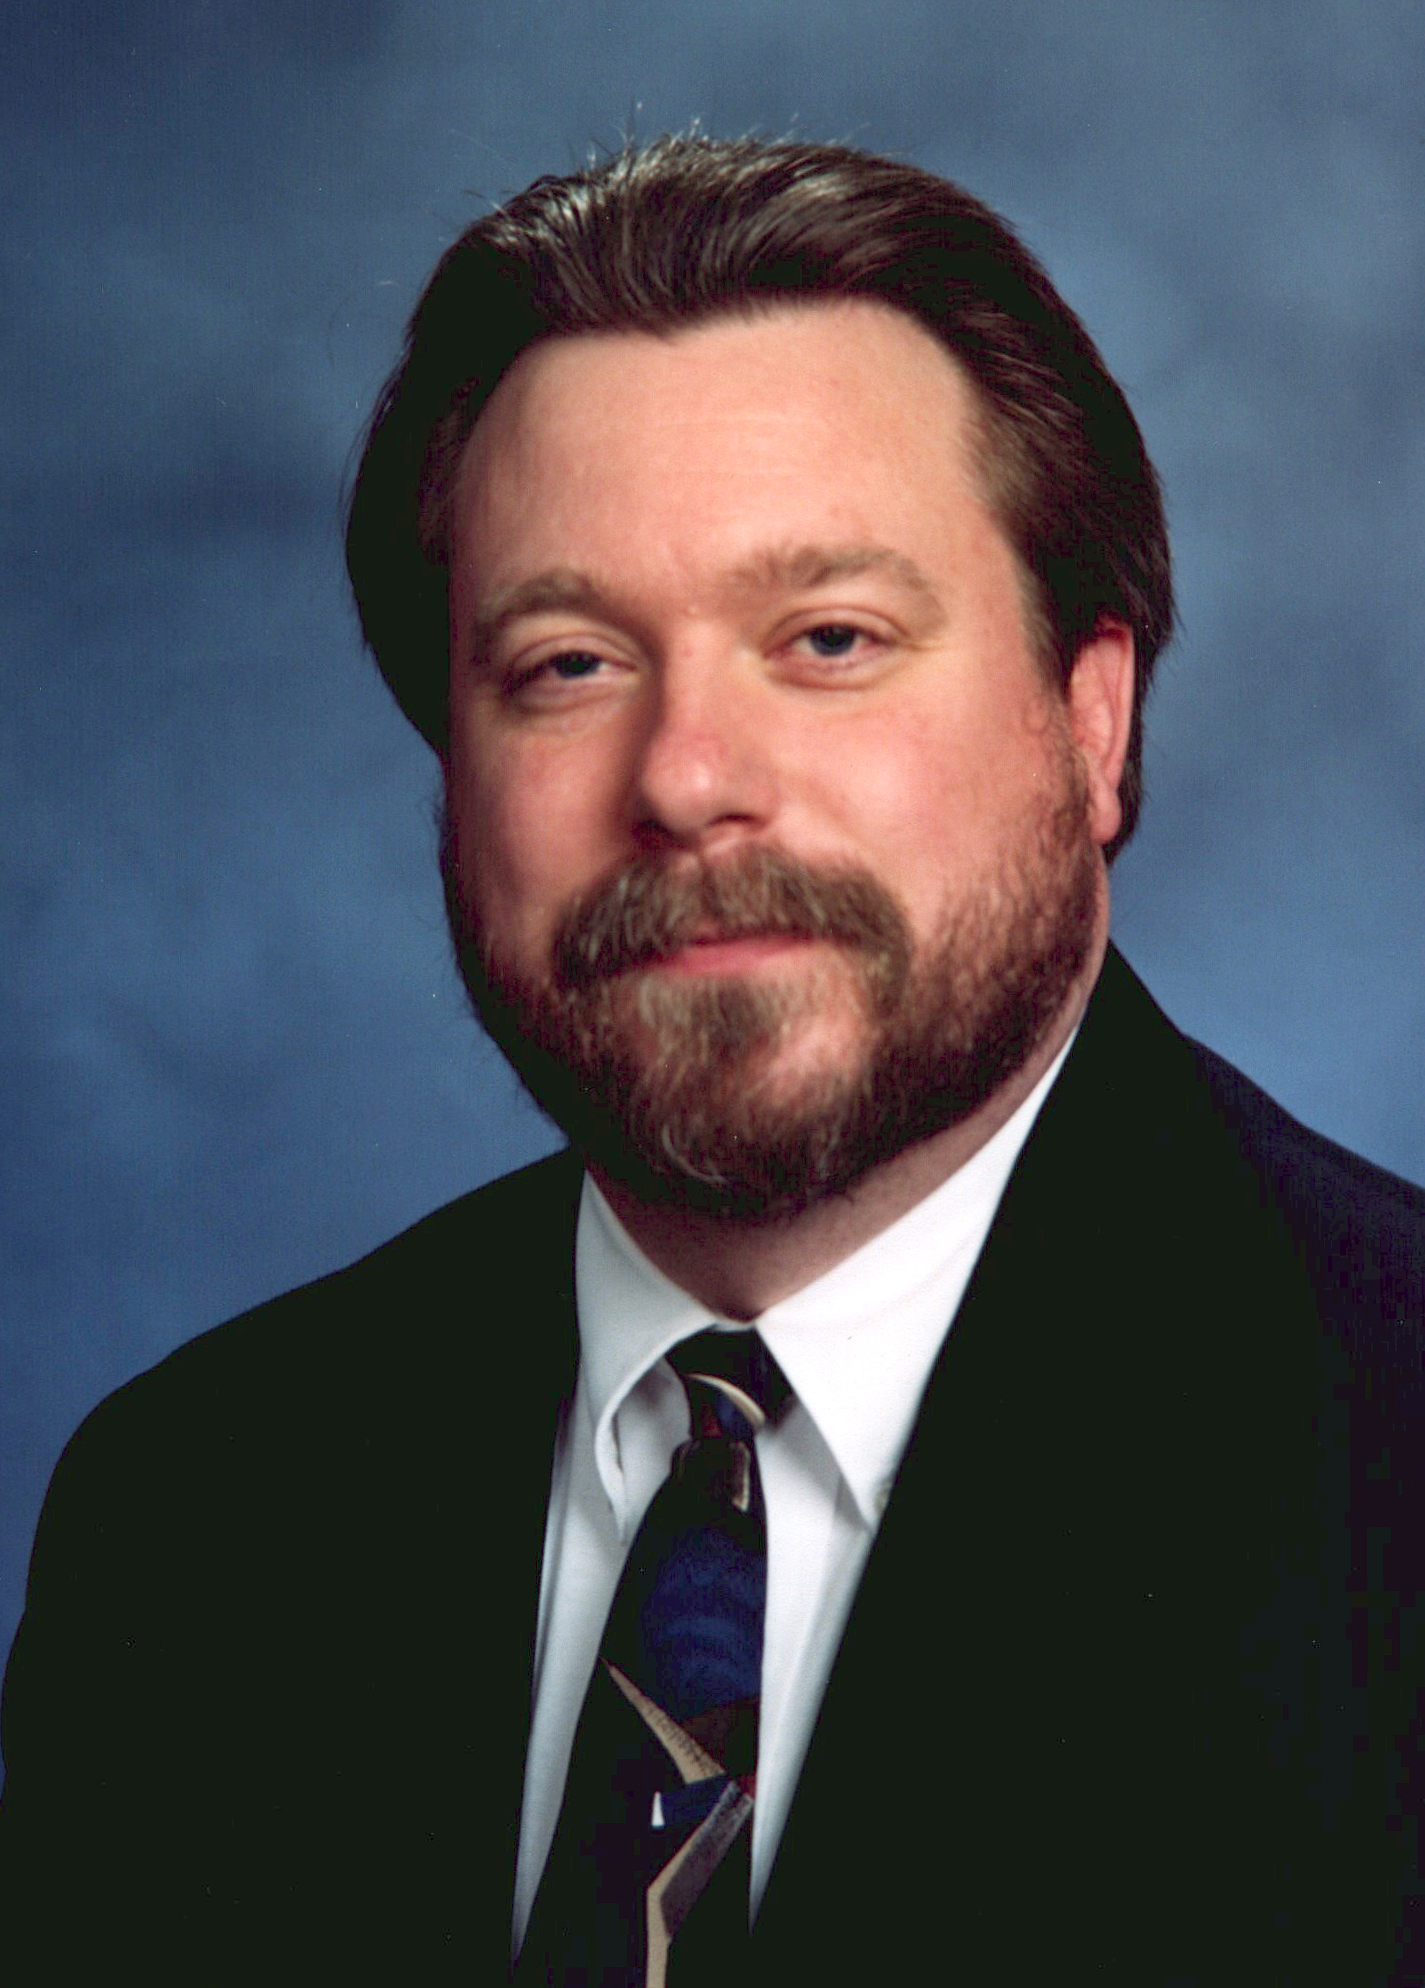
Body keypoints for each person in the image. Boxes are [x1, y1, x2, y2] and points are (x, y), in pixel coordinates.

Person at [2, 133, 1423, 1985]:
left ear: (1089, 719)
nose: (682, 778)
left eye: (826, 638)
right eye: (567, 665)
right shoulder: (194, 1519)